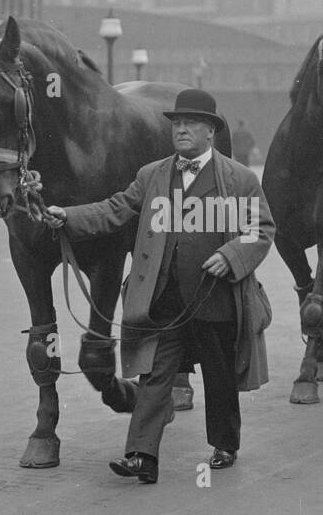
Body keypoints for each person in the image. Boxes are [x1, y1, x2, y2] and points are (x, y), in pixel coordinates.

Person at [43, 89, 273, 484]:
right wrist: (69, 217)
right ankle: (141, 456)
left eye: (191, 124)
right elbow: (116, 208)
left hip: (215, 297)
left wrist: (232, 256)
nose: (181, 130)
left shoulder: (240, 179)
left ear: (210, 131)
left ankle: (224, 444)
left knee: (219, 376)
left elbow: (261, 229)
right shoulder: (152, 175)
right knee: (155, 375)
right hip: (163, 298)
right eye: (177, 124)